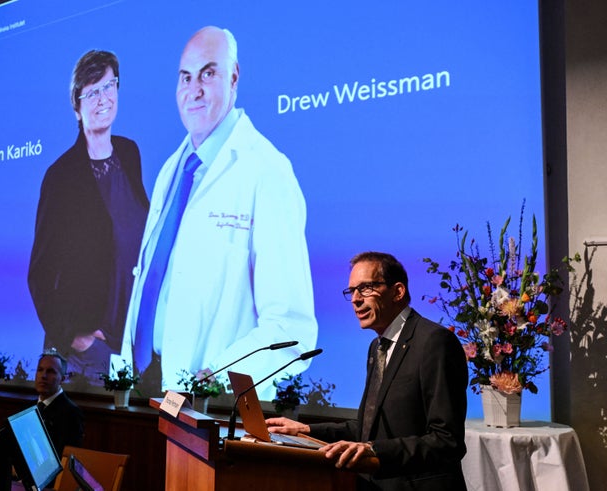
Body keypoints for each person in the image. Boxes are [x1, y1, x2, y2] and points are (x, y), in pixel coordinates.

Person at [115, 26, 317, 398]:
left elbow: (291, 330)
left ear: (234, 77)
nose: (194, 90)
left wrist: (219, 377)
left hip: (211, 410)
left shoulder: (267, 171)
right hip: (142, 391)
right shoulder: (171, 171)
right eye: (185, 77)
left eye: (208, 73)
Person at [266, 252, 468, 490]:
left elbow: (446, 441)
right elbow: (368, 427)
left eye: (365, 288)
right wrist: (306, 430)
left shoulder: (433, 342)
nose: (355, 299)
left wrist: (374, 450)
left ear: (398, 291)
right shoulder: (377, 347)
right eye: (351, 291)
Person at [28, 50, 149, 383]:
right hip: (88, 353)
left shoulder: (129, 153)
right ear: (76, 106)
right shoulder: (62, 176)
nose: (103, 98)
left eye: (110, 86)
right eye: (92, 92)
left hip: (131, 341)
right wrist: (74, 337)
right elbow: (39, 273)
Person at [0, 350, 83, 476]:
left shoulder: (71, 413)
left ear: (62, 379)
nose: (43, 376)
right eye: (40, 370)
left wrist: (18, 471)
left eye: (50, 371)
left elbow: (62, 463)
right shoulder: (27, 408)